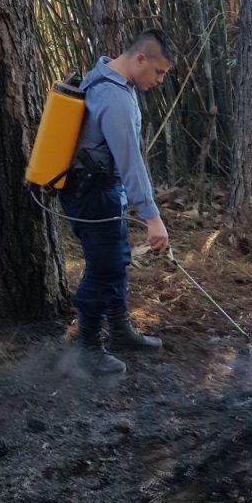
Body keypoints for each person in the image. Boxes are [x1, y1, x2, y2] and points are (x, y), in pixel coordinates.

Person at [60, 28, 174, 375]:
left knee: (115, 261)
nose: (159, 80)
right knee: (105, 267)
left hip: (98, 189)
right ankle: (89, 347)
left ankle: (120, 330)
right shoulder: (115, 97)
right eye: (158, 72)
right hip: (92, 194)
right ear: (140, 58)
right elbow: (130, 161)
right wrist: (152, 216)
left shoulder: (105, 77)